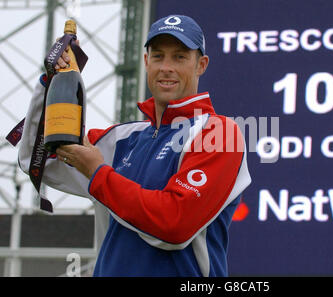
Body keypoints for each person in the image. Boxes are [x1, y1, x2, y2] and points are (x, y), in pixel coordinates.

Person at [18, 15, 251, 276]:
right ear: (146, 61)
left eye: (180, 57)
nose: (166, 67)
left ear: (201, 65)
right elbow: (37, 161)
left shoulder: (219, 133)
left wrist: (98, 174)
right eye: (158, 56)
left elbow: (175, 225)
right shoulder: (120, 138)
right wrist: (51, 83)